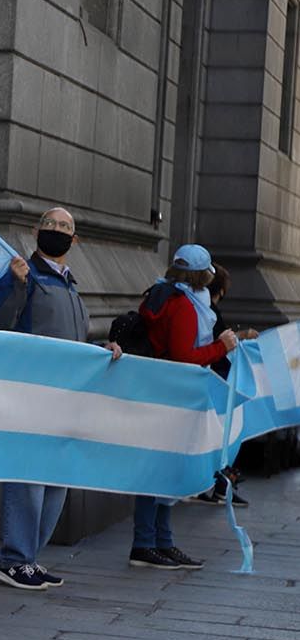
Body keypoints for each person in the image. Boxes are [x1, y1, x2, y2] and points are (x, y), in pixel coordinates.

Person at [0, 207, 121, 590]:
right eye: (50, 225)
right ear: (35, 231)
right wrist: (18, 286)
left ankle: (30, 557)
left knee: (55, 483)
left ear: (74, 241)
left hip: (65, 403)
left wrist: (101, 349)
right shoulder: (21, 276)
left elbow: (72, 344)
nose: (57, 231)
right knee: (28, 481)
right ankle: (13, 558)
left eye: (65, 227)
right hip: (32, 398)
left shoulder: (70, 285)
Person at [128, 244, 238, 570]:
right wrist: (221, 347)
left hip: (161, 392)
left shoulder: (164, 296)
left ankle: (160, 541)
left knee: (162, 472)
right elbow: (184, 358)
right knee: (160, 473)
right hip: (172, 396)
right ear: (204, 276)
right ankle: (147, 543)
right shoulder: (184, 306)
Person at [193, 265, 257, 506]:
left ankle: (213, 485)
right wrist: (243, 336)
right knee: (223, 435)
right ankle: (219, 486)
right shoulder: (210, 311)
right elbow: (220, 342)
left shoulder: (200, 309)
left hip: (210, 377)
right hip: (217, 379)